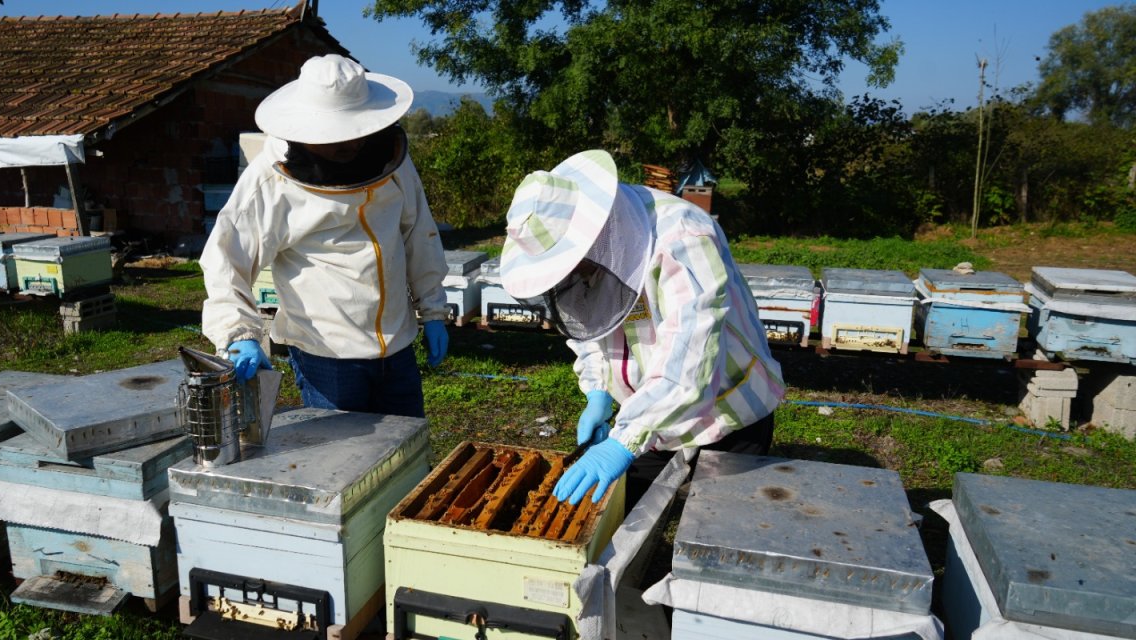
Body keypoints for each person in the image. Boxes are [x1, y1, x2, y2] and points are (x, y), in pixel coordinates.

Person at [499, 149, 785, 505]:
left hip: (731, 406)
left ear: (596, 233)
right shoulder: (596, 251)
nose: (573, 276)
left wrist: (625, 440)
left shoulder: (684, 237)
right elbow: (591, 325)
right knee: (621, 513)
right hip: (651, 415)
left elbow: (691, 358)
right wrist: (599, 389)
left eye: (572, 263)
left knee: (717, 528)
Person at [199, 54, 450, 418]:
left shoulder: (392, 160)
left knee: (404, 456)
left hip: (397, 347)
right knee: (344, 465)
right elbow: (226, 259)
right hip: (326, 355)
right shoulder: (269, 180)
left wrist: (434, 310)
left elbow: (419, 234)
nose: (347, 144)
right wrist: (239, 333)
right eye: (335, 135)